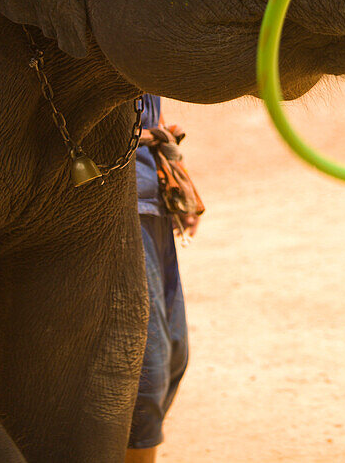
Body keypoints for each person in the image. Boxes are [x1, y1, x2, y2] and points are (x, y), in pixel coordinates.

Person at [127, 94, 202, 463]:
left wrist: (173, 175)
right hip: (117, 199)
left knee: (174, 353)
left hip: (151, 196)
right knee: (147, 368)